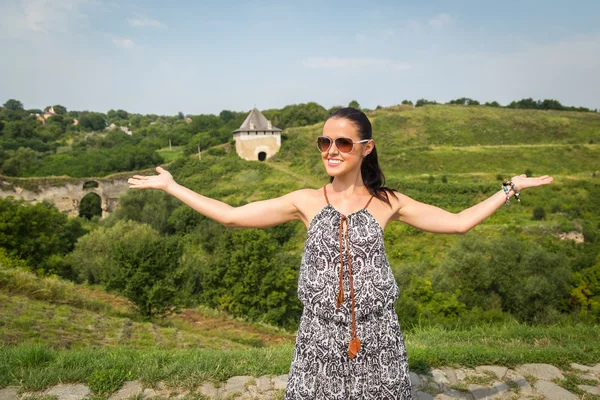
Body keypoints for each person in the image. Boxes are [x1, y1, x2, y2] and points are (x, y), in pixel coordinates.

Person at [128, 107, 553, 399]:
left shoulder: (390, 202)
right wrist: (172, 186)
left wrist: (509, 188)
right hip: (318, 338)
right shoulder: (305, 201)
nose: (331, 150)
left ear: (365, 147)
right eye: (324, 141)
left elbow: (459, 221)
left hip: (379, 337)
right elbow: (231, 215)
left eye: (343, 143)